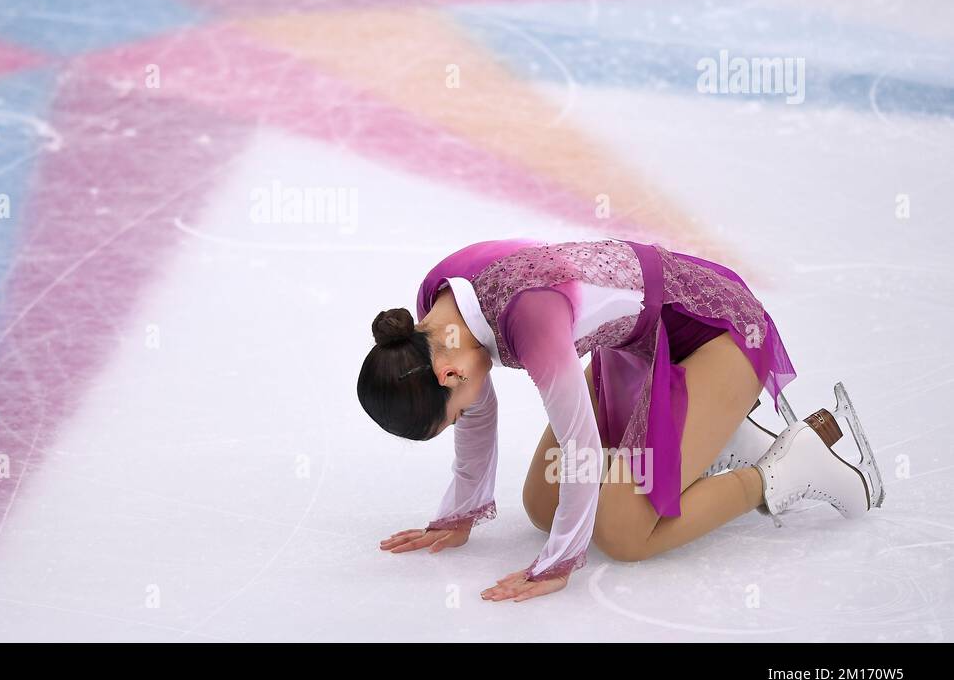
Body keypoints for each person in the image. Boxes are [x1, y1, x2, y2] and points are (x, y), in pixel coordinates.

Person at [357, 237, 884, 603]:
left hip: (717, 332)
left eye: (454, 417)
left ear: (447, 375)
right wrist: (460, 515)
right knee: (543, 504)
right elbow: (481, 411)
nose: (467, 419)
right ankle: (716, 430)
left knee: (624, 534)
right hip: (636, 348)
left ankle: (787, 468)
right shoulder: (433, 314)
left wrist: (557, 565)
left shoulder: (530, 321)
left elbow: (581, 447)